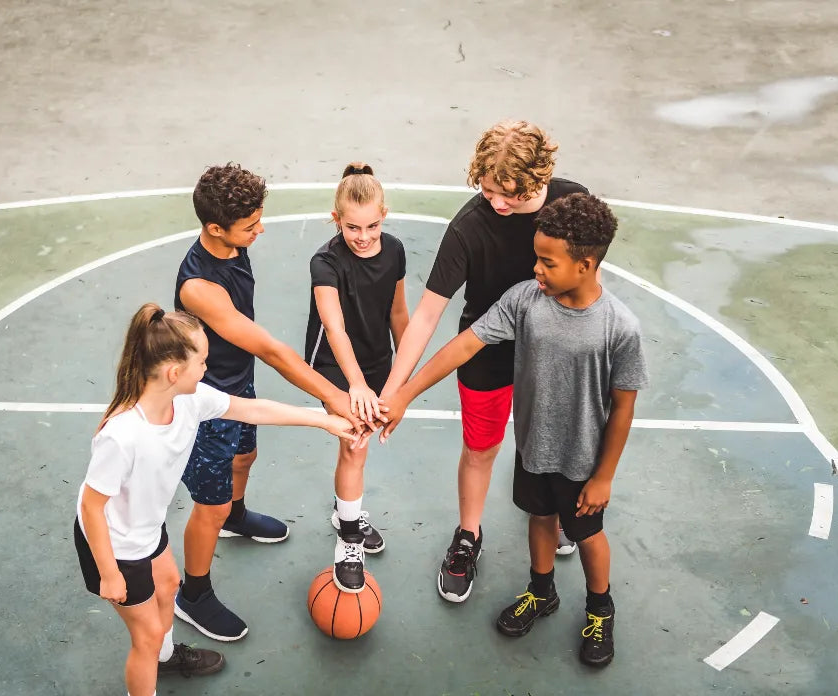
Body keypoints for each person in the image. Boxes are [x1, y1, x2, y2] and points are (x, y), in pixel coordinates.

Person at [380, 193, 648, 667]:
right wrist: (403, 393)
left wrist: (604, 476)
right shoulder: (525, 300)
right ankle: (541, 591)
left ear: (586, 265)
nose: (537, 269)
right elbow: (463, 346)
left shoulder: (619, 327)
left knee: (587, 536)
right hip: (533, 449)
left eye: (547, 262)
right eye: (536, 259)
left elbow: (624, 408)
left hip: (583, 461)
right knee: (539, 519)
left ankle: (600, 609)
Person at [74, 303, 358, 696]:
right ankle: (154, 661)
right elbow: (91, 506)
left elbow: (252, 409)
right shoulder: (123, 435)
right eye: (203, 361)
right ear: (175, 372)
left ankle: (167, 658)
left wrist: (325, 420)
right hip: (115, 543)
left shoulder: (189, 399)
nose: (207, 368)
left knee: (170, 583)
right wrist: (108, 572)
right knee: (147, 636)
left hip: (144, 526)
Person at [379, 120, 588, 603]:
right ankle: (468, 536)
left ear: (540, 177)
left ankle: (549, 516)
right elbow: (428, 313)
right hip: (486, 350)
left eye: (508, 193)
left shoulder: (572, 205)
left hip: (554, 352)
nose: (496, 202)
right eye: (488, 189)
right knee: (481, 449)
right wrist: (394, 389)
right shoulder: (469, 227)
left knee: (550, 444)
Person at [173, 163, 369, 641]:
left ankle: (236, 517)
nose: (261, 229)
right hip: (205, 401)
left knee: (247, 456)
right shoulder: (199, 286)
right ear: (215, 228)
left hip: (236, 380)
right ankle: (193, 594)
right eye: (250, 225)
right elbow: (271, 348)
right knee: (208, 506)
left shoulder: (232, 244)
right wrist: (335, 398)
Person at [304, 163, 409, 591]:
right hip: (334, 363)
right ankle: (349, 537)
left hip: (378, 359)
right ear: (336, 220)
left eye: (372, 226)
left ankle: (345, 510)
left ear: (384, 215)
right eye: (352, 227)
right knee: (355, 441)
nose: (363, 236)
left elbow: (399, 313)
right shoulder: (325, 262)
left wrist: (404, 378)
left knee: (358, 446)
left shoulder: (396, 250)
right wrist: (357, 385)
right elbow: (335, 328)